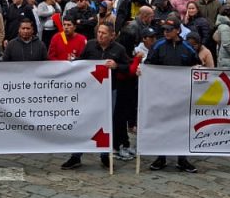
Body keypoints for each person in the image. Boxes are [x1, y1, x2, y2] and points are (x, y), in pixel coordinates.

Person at [63, 23, 129, 170]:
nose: (100, 35)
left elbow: (128, 67)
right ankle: (76, 156)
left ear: (112, 35)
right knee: (83, 121)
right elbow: (81, 61)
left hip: (109, 92)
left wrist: (117, 66)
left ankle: (105, 155)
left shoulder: (119, 49)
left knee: (106, 123)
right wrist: (73, 61)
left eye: (104, 33)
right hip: (90, 91)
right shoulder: (90, 45)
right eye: (99, 32)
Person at [145, 20, 200, 174]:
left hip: (182, 94)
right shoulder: (158, 45)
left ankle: (182, 158)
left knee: (182, 126)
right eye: (164, 30)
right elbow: (148, 65)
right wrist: (142, 70)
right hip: (162, 93)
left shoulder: (187, 47)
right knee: (162, 125)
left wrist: (197, 68)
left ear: (177, 31)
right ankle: (161, 157)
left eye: (169, 29)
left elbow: (197, 64)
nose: (166, 32)